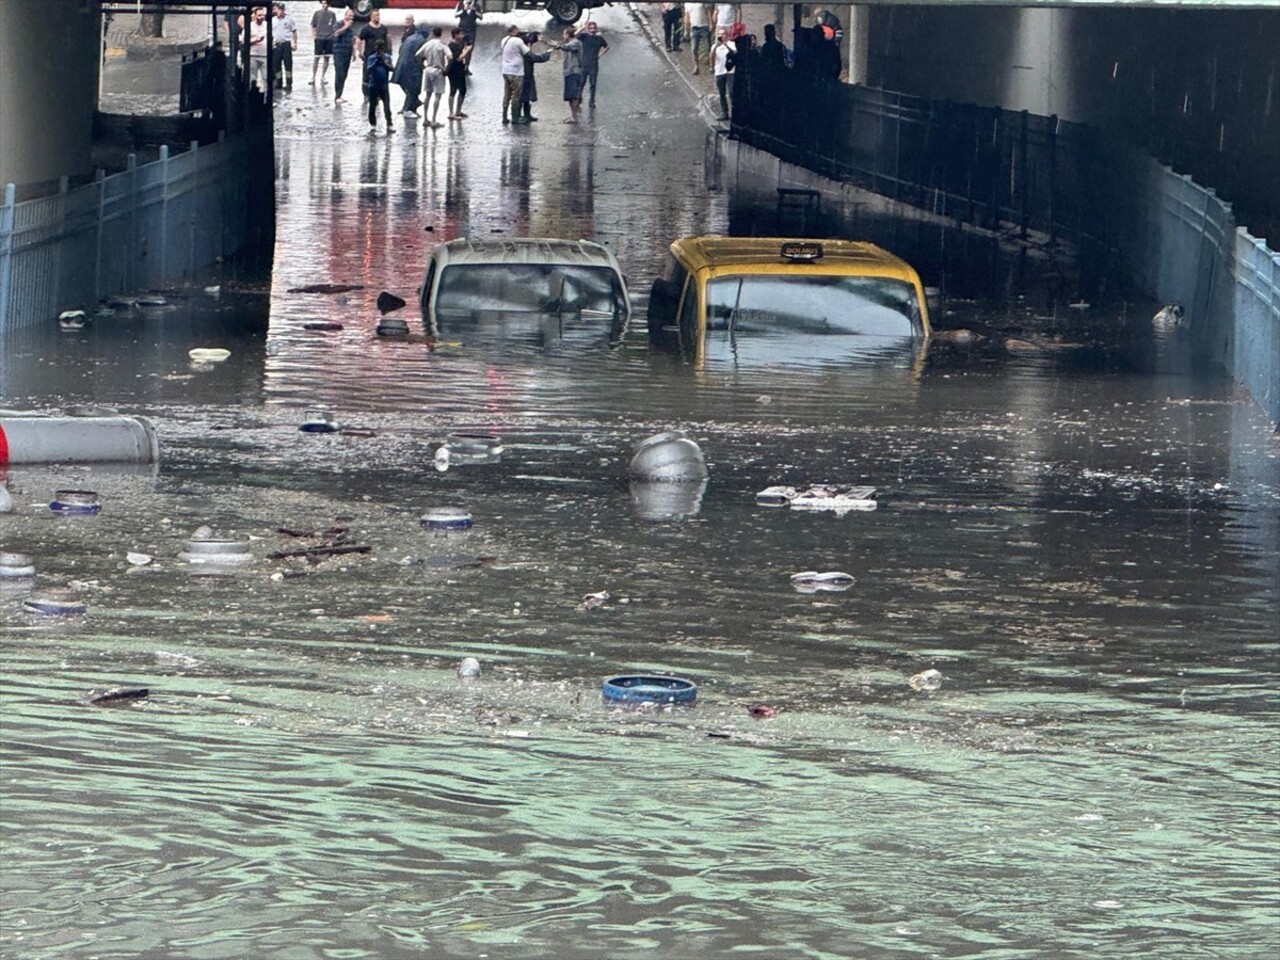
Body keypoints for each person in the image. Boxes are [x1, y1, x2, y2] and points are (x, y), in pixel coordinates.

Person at [416, 26, 451, 128]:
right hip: (438, 70)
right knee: (437, 95)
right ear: (441, 33)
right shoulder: (441, 45)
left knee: (427, 95)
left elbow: (417, 54)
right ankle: (434, 120)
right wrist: (446, 69)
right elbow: (450, 56)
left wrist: (423, 65)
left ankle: (425, 118)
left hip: (428, 69)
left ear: (432, 33)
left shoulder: (427, 44)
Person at [549, 26, 584, 124]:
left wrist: (558, 46)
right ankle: (574, 115)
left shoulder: (575, 43)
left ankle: (574, 117)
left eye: (564, 34)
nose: (563, 36)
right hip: (569, 72)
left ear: (568, 35)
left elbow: (567, 47)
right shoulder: (571, 42)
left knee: (573, 96)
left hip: (574, 72)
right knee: (570, 96)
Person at [515, 31, 550, 123]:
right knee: (523, 95)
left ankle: (526, 114)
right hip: (524, 75)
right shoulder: (525, 52)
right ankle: (519, 115)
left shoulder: (523, 48)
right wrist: (547, 53)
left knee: (527, 95)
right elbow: (535, 58)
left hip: (527, 74)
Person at [393, 22, 427, 116]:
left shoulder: (409, 38)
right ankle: (408, 109)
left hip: (401, 66)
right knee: (413, 89)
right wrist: (424, 66)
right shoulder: (422, 41)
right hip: (412, 68)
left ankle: (410, 106)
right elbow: (420, 56)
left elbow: (400, 50)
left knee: (408, 89)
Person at [499, 24, 529, 124]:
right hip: (517, 71)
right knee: (516, 95)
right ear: (515, 30)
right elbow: (527, 52)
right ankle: (515, 117)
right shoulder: (518, 41)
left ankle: (504, 116)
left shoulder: (504, 40)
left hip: (506, 70)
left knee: (506, 94)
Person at [357, 8, 389, 98]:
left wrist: (388, 51)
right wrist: (359, 52)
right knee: (367, 74)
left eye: (378, 15)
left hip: (381, 55)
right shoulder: (366, 28)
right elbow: (359, 39)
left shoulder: (383, 28)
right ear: (371, 17)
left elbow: (387, 39)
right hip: (369, 55)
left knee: (380, 74)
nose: (378, 17)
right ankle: (366, 94)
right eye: (376, 16)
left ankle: (378, 93)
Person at [576, 20, 608, 109]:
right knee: (581, 83)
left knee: (593, 84)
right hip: (584, 64)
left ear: (596, 29)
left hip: (594, 65)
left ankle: (592, 101)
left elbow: (607, 47)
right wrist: (582, 27)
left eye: (594, 28)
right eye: (590, 28)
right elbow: (575, 35)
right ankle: (578, 99)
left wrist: (600, 55)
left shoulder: (599, 39)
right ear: (588, 29)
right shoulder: (584, 37)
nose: (592, 30)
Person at [365, 38, 393, 131]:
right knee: (372, 105)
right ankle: (372, 124)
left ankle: (389, 123)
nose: (379, 50)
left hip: (384, 84)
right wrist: (375, 63)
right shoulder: (371, 58)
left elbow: (392, 69)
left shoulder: (387, 57)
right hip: (373, 84)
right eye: (378, 47)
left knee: (387, 106)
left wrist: (384, 63)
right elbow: (368, 70)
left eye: (381, 48)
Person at [331, 5, 356, 102]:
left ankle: (340, 94)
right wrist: (346, 26)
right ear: (345, 15)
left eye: (352, 17)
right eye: (349, 16)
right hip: (339, 52)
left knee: (345, 74)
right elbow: (336, 33)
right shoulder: (339, 23)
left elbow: (351, 40)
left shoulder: (351, 27)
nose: (351, 18)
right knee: (339, 73)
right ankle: (337, 96)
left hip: (347, 53)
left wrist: (353, 53)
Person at [271, 3, 298, 91]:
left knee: (288, 64)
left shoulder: (289, 19)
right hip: (276, 44)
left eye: (281, 9)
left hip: (286, 44)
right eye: (278, 9)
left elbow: (294, 31)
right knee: (276, 64)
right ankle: (278, 82)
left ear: (283, 10)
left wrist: (295, 43)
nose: (279, 11)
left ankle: (289, 83)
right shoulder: (273, 20)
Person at [445, 27, 471, 119]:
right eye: (460, 34)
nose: (462, 35)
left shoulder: (459, 44)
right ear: (455, 35)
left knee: (463, 90)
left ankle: (458, 111)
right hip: (453, 70)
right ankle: (451, 112)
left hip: (460, 69)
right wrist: (466, 51)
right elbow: (458, 58)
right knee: (453, 91)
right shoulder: (452, 45)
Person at [310, 0, 336, 85]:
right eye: (323, 3)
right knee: (316, 58)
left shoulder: (332, 14)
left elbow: (334, 26)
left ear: (328, 4)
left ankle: (323, 76)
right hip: (319, 38)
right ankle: (313, 76)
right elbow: (313, 25)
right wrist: (314, 36)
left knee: (326, 58)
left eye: (326, 3)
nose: (324, 5)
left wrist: (333, 36)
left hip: (329, 38)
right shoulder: (317, 13)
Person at [711, 27, 734, 121]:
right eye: (719, 34)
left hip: (730, 71)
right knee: (722, 93)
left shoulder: (732, 44)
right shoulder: (714, 46)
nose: (721, 36)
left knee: (732, 91)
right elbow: (711, 57)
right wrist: (716, 46)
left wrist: (726, 45)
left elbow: (734, 53)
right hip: (719, 72)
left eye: (723, 34)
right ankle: (725, 112)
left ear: (727, 35)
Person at [247, 6, 270, 92]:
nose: (262, 17)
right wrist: (255, 40)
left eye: (263, 15)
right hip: (253, 55)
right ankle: (251, 96)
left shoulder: (268, 25)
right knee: (252, 78)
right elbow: (244, 41)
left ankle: (266, 98)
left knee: (266, 78)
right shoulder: (250, 26)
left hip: (265, 55)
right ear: (255, 16)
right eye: (259, 15)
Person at [685, 3, 711, 75]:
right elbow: (687, 16)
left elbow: (708, 11)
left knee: (708, 47)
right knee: (694, 49)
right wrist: (686, 29)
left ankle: (712, 65)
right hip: (694, 28)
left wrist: (711, 23)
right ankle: (696, 67)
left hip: (704, 27)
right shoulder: (687, 4)